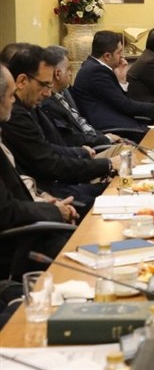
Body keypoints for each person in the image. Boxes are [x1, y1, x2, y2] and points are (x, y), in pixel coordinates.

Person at [1, 45, 118, 206]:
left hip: (50, 191)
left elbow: (45, 148)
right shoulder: (15, 115)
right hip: (49, 195)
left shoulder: (27, 106)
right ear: (22, 81)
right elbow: (48, 164)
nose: (48, 93)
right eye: (44, 85)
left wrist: (83, 153)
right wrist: (106, 164)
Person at [0, 63, 76, 280]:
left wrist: (42, 198)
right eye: (10, 95)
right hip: (18, 247)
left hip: (31, 221)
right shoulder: (16, 119)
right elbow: (6, 212)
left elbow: (16, 182)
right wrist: (54, 211)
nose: (13, 101)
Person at [72, 30, 154, 133]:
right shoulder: (96, 72)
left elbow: (119, 101)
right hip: (113, 128)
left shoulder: (95, 67)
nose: (122, 56)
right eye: (119, 52)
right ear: (107, 56)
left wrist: (122, 80)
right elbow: (125, 105)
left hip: (123, 121)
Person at [39, 46, 118, 149]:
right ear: (58, 74)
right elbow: (72, 139)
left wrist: (104, 137)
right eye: (68, 69)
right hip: (86, 150)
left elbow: (80, 122)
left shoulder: (65, 92)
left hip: (95, 140)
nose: (71, 73)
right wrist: (106, 139)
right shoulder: (48, 104)